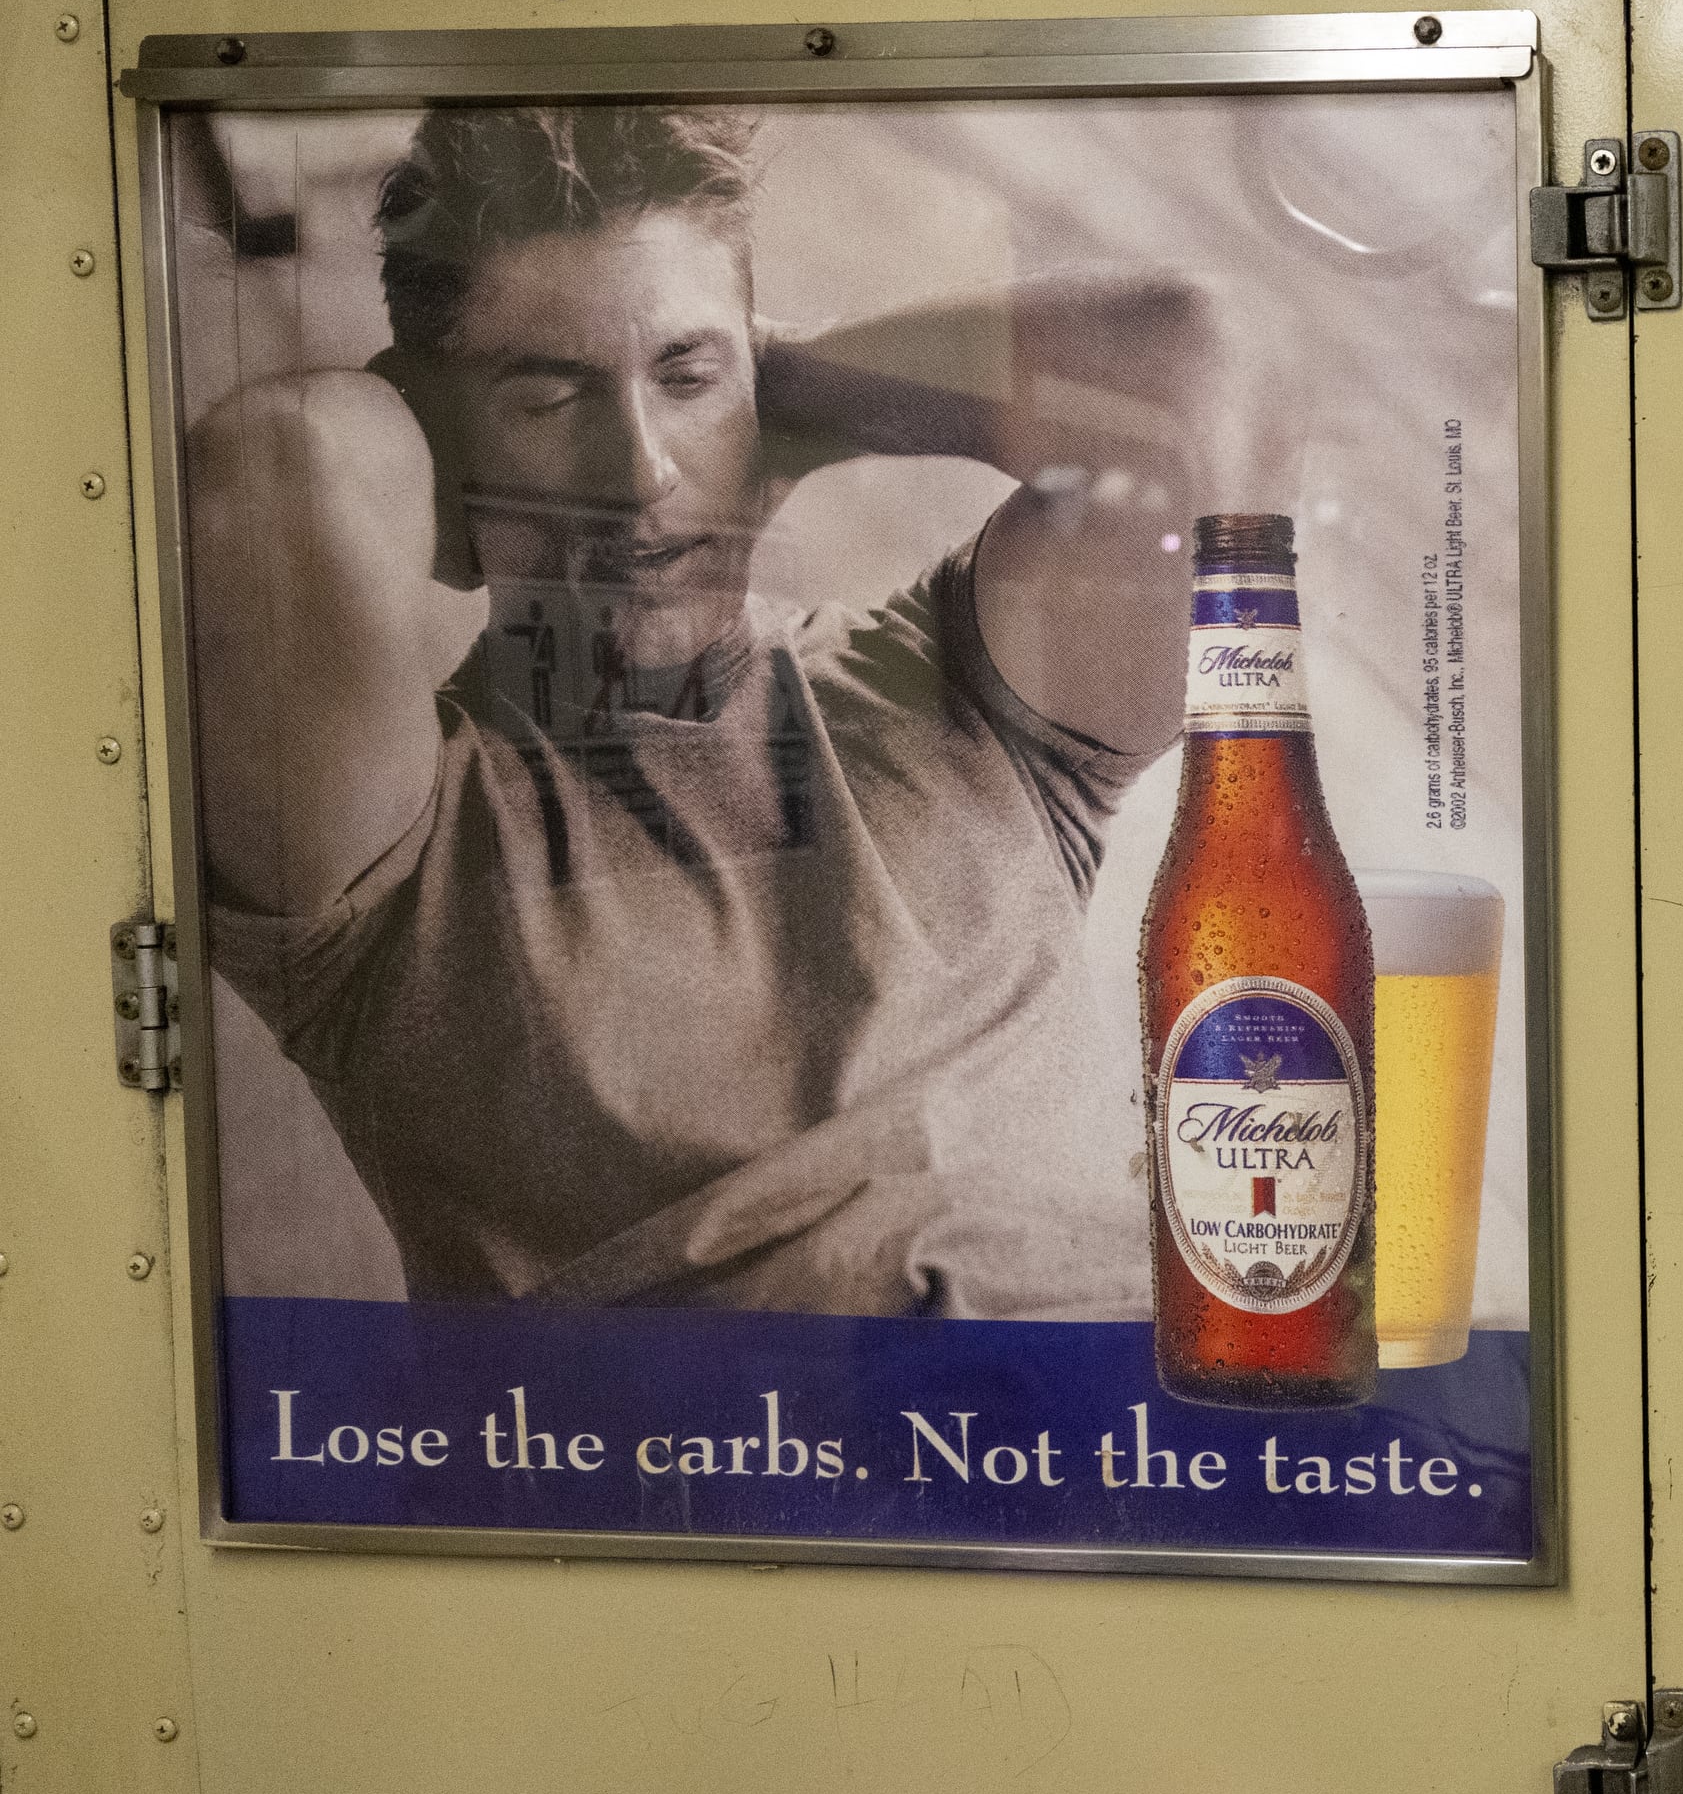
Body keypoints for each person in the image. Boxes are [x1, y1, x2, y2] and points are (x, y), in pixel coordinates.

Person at [189, 103, 1255, 1314]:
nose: (642, 467)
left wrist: (796, 403)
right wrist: (691, 401)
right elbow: (271, 474)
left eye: (686, 377)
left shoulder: (972, 694)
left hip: (1137, 1441)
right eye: (549, 397)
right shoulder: (389, 860)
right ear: (437, 435)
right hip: (747, 1479)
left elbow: (1193, 358)